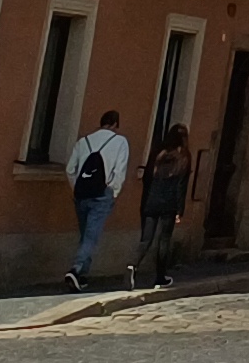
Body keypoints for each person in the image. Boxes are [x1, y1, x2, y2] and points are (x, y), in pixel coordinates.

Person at [63, 108, 130, 289]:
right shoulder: (120, 142)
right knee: (91, 236)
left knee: (86, 235)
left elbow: (70, 169)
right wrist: (113, 193)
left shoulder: (83, 141)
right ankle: (75, 270)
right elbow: (119, 171)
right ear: (116, 124)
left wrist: (76, 188)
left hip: (82, 193)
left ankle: (82, 276)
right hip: (102, 194)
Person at [132, 122, 193, 288]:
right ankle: (160, 277)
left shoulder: (157, 153)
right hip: (169, 202)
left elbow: (147, 178)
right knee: (164, 239)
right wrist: (180, 209)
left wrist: (146, 200)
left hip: (152, 199)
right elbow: (181, 185)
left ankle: (132, 266)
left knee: (146, 239)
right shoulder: (184, 157)